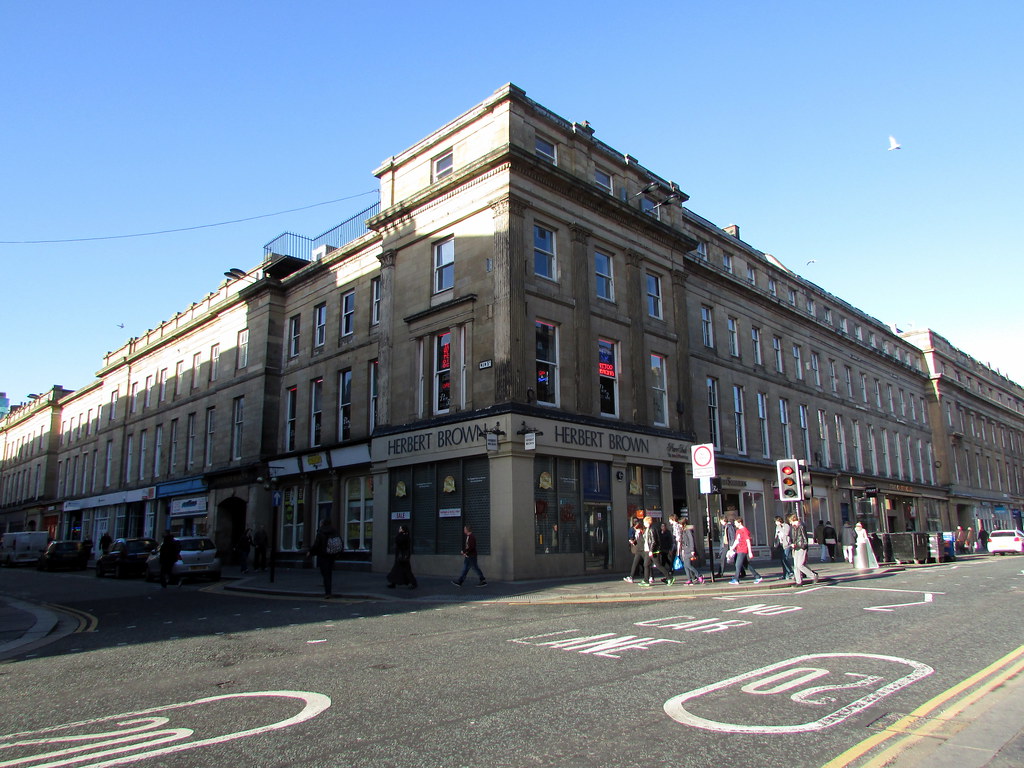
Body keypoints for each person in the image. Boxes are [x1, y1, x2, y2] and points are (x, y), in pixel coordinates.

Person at [637, 515, 673, 587]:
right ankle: (646, 580)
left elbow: (654, 541)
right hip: (647, 550)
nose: (643, 523)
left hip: (653, 551)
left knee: (658, 565)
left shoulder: (652, 529)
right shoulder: (647, 529)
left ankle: (669, 577)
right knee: (646, 565)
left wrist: (651, 550)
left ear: (647, 522)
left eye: (644, 522)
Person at [311, 519, 341, 598]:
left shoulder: (321, 532)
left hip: (323, 555)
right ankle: (328, 591)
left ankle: (327, 592)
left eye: (320, 523)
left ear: (322, 524)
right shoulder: (334, 531)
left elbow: (316, 544)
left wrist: (310, 552)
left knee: (325, 573)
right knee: (328, 573)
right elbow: (340, 542)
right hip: (332, 555)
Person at [727, 517, 763, 584]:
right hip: (738, 549)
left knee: (738, 564)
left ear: (740, 523)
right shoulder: (738, 531)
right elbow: (737, 541)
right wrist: (731, 549)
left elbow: (748, 541)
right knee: (746, 565)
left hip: (743, 549)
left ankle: (736, 579)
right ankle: (758, 577)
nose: (735, 524)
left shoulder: (744, 530)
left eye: (736, 523)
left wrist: (750, 551)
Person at [788, 513, 819, 585]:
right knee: (796, 566)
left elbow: (804, 537)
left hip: (801, 546)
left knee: (800, 565)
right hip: (795, 547)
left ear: (792, 519)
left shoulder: (801, 525)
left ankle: (813, 576)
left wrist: (805, 546)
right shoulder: (793, 527)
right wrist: (792, 543)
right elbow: (793, 537)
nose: (790, 522)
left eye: (790, 520)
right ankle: (798, 582)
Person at [677, 517, 703, 585]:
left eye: (680, 524)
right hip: (684, 550)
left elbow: (691, 540)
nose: (679, 525)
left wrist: (692, 550)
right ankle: (689, 579)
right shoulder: (682, 530)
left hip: (688, 549)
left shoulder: (688, 530)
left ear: (683, 524)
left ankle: (699, 575)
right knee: (686, 565)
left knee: (688, 565)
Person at [774, 516, 794, 580]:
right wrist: (775, 543)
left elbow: (786, 533)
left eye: (776, 521)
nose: (775, 523)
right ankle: (785, 575)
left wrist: (780, 529)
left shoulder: (786, 526)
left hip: (787, 544)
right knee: (782, 560)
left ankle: (790, 571)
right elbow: (776, 535)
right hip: (780, 544)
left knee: (785, 558)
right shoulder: (777, 527)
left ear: (779, 521)